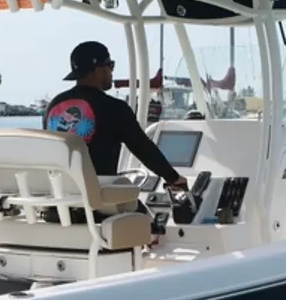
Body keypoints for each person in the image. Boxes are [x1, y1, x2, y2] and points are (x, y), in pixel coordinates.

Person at [44, 41, 188, 191]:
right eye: (110, 65)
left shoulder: (53, 106)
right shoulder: (113, 107)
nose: (112, 72)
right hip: (98, 197)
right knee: (143, 213)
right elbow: (143, 149)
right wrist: (173, 178)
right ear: (98, 70)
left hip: (61, 195)